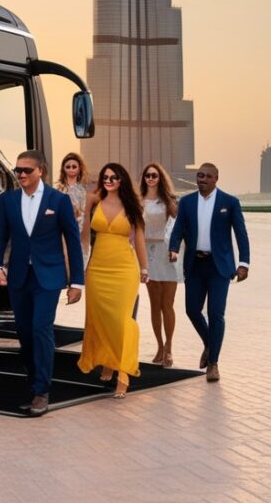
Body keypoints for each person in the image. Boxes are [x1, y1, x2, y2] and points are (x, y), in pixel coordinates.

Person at [0, 150, 84, 416]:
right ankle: (34, 386)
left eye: (26, 170)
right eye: (17, 170)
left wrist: (77, 282)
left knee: (41, 328)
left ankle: (42, 392)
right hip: (19, 276)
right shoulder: (7, 200)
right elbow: (0, 237)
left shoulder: (59, 200)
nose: (20, 174)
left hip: (49, 277)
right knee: (25, 333)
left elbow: (73, 242)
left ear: (40, 171)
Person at [169, 162, 250, 383]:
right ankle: (210, 342)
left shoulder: (230, 202)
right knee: (192, 310)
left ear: (216, 178)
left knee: (216, 313)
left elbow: (241, 234)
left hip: (219, 266)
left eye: (206, 176)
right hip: (195, 265)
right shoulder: (186, 202)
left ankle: (213, 363)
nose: (202, 179)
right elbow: (179, 228)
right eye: (199, 176)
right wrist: (173, 248)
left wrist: (244, 263)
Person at [78, 162, 147, 397]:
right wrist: (87, 207)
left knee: (121, 320)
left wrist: (145, 268)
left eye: (114, 177)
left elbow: (139, 239)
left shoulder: (132, 206)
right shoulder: (94, 201)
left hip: (125, 269)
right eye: (105, 177)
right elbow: (85, 237)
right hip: (97, 267)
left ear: (122, 180)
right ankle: (108, 361)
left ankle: (124, 373)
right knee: (100, 318)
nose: (109, 180)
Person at [139, 162, 181, 367]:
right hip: (147, 254)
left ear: (160, 177)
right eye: (147, 175)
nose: (151, 178)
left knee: (168, 305)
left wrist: (177, 248)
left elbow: (180, 224)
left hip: (166, 253)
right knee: (155, 305)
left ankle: (170, 348)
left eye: (154, 175)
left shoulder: (169, 200)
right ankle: (159, 346)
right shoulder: (138, 201)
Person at [54, 152, 91, 260]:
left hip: (78, 226)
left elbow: (84, 211)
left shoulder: (82, 190)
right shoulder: (58, 188)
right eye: (68, 167)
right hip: (59, 227)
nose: (71, 169)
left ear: (79, 169)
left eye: (74, 167)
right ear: (63, 169)